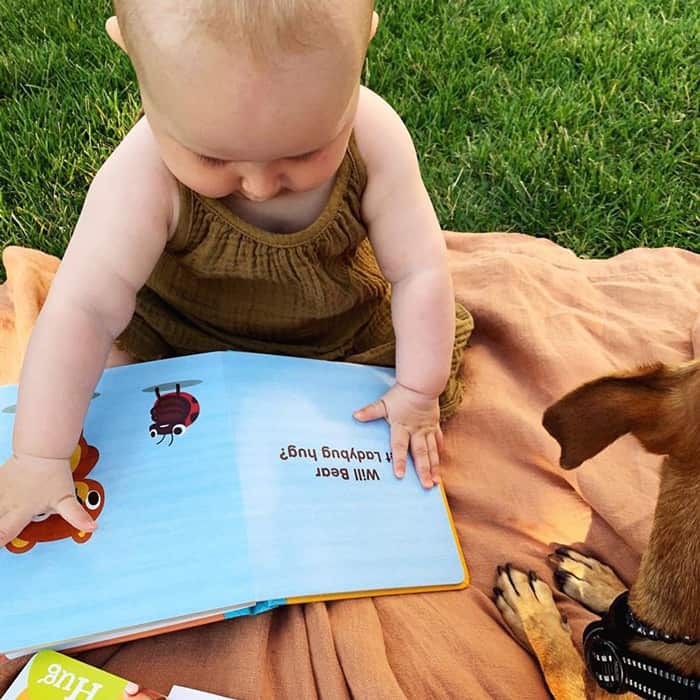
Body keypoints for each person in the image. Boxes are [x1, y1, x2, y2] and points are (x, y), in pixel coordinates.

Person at [0, 0, 473, 548]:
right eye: (211, 158)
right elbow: (84, 308)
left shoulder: (375, 137)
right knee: (103, 389)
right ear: (131, 55)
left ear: (363, 46)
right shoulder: (143, 173)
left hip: (334, 337)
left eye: (305, 152)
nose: (259, 184)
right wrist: (39, 452)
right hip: (178, 335)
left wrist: (418, 390)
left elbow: (419, 271)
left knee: (387, 425)